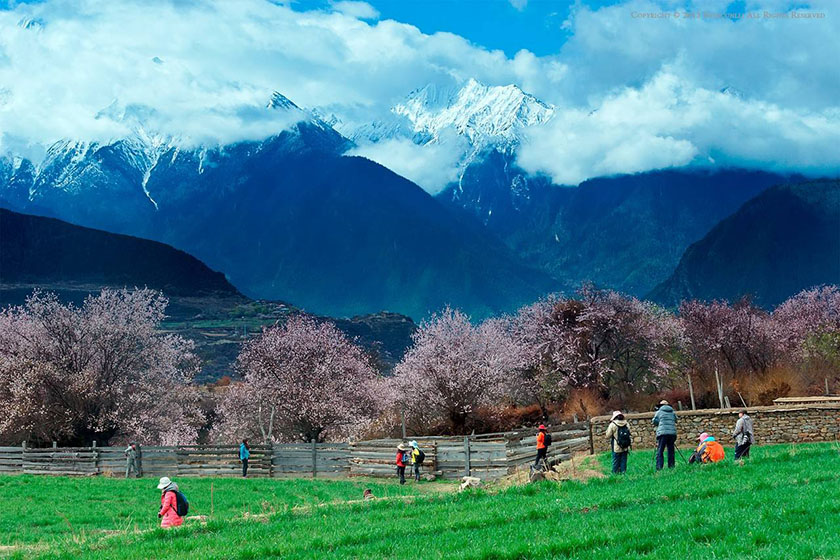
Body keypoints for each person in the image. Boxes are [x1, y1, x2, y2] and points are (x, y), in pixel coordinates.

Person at [652, 400, 677, 470]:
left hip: (662, 433)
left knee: (660, 450)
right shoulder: (672, 412)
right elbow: (676, 420)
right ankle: (671, 466)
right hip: (672, 433)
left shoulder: (659, 412)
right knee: (671, 450)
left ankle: (659, 467)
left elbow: (654, 421)